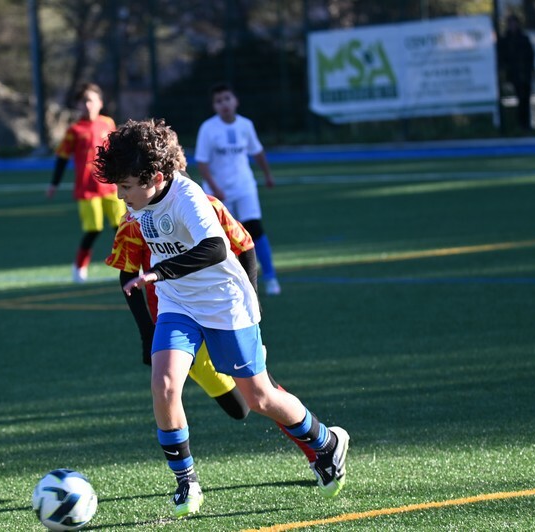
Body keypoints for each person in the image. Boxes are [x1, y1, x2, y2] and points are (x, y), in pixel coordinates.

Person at [94, 118, 349, 518]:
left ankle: (326, 442)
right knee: (164, 385)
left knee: (258, 398)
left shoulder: (190, 198)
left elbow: (214, 248)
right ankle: (186, 482)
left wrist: (159, 273)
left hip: (224, 304)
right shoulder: (138, 206)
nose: (120, 195)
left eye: (125, 186)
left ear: (156, 178)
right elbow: (131, 266)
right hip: (178, 305)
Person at [105, 191, 320, 465]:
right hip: (177, 322)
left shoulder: (206, 206)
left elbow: (244, 245)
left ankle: (319, 451)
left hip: (221, 314)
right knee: (238, 408)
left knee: (263, 392)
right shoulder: (135, 218)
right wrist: (147, 333)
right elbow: (127, 274)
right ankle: (185, 477)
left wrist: (251, 300)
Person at [195, 82, 281, 295]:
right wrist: (215, 188)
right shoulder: (208, 128)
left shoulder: (245, 125)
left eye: (227, 99)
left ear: (236, 101)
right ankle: (224, 282)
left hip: (244, 188)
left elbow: (257, 152)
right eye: (218, 101)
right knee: (218, 237)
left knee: (255, 229)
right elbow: (202, 162)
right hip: (217, 193)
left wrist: (268, 175)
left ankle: (270, 277)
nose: (224, 104)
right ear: (214, 106)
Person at [47, 82, 125, 283]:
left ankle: (130, 265)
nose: (87, 105)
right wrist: (54, 183)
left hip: (111, 186)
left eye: (90, 100)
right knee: (93, 229)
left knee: (122, 227)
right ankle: (79, 266)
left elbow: (116, 152)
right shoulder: (75, 130)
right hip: (87, 189)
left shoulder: (108, 123)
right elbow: (62, 158)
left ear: (100, 102)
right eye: (83, 102)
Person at [498, 15, 535, 131]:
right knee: (520, 98)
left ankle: (526, 124)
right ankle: (520, 124)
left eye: (514, 23)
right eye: (510, 23)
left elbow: (530, 56)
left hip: (525, 74)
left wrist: (530, 70)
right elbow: (503, 58)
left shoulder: (524, 38)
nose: (512, 26)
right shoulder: (505, 40)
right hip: (514, 75)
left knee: (526, 99)